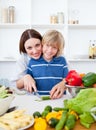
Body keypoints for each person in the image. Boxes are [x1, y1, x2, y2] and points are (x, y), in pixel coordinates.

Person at [27, 30, 69, 99]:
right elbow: (28, 80)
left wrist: (63, 83)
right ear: (42, 44)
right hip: (38, 99)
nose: (49, 50)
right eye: (47, 45)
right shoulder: (33, 62)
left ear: (58, 49)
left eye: (54, 47)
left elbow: (67, 79)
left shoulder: (62, 61)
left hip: (58, 98)